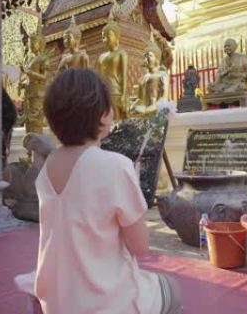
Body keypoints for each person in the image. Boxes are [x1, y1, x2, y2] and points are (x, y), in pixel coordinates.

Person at [35, 68, 182, 314]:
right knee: (172, 289)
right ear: (103, 115)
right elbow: (140, 246)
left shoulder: (47, 167)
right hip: (107, 303)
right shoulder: (115, 166)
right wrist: (131, 189)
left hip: (56, 302)